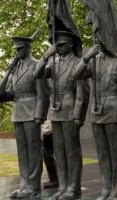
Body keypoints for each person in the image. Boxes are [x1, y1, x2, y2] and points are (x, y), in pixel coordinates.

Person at [72, 1, 117, 199]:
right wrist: (86, 57)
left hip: (114, 111)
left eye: (99, 36)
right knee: (102, 154)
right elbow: (76, 75)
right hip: (96, 113)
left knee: (116, 154)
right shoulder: (95, 61)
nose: (96, 39)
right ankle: (106, 189)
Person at [34, 30, 89, 200]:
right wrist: (45, 56)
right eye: (56, 45)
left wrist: (78, 115)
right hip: (55, 111)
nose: (58, 48)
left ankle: (73, 188)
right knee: (59, 151)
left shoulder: (79, 63)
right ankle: (63, 187)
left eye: (62, 45)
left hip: (70, 110)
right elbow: (36, 74)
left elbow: (83, 92)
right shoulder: (54, 63)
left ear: (71, 44)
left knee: (72, 152)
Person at [0, 36, 50, 199]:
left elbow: (43, 94)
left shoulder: (37, 65)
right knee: (22, 152)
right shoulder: (15, 68)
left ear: (28, 48)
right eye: (16, 49)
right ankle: (24, 184)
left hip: (32, 112)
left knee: (33, 151)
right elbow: (11, 93)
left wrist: (40, 115)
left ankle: (33, 186)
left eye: (20, 49)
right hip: (18, 112)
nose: (17, 52)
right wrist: (9, 70)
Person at [41, 119, 59, 189]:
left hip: (49, 131)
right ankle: (53, 179)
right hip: (48, 130)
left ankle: (55, 179)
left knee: (48, 156)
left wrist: (45, 131)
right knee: (47, 156)